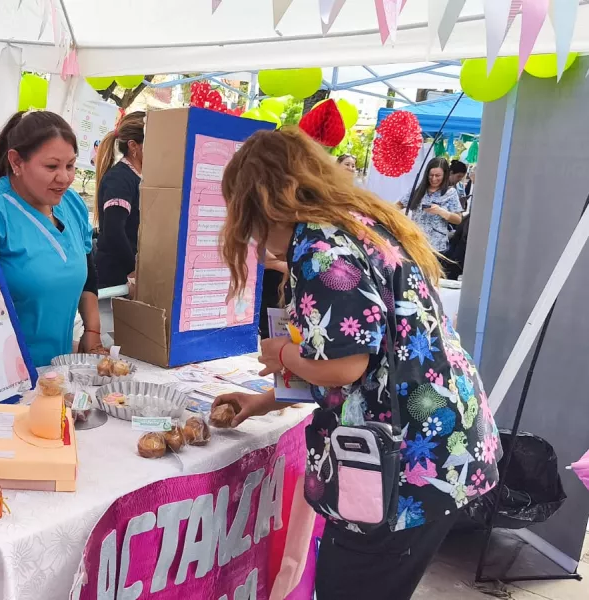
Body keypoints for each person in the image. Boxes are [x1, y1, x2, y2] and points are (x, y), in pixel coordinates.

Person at [213, 128, 500, 600]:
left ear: (260, 205)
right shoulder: (357, 224)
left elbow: (346, 367)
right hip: (443, 446)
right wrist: (264, 401)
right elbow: (368, 367)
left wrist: (281, 352)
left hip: (405, 469)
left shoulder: (321, 248)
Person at [0, 111, 103, 366]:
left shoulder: (72, 204)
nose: (64, 177)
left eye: (70, 165)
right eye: (51, 166)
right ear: (16, 161)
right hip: (2, 371)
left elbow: (87, 268)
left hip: (58, 369)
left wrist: (93, 331)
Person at [94, 111, 145, 290]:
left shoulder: (141, 177)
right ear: (133, 146)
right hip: (115, 278)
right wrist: (135, 268)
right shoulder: (119, 180)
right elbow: (114, 231)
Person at [398, 157, 463, 253]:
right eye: (431, 175)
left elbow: (458, 219)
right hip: (415, 243)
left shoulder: (450, 192)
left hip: (436, 247)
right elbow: (399, 205)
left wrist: (441, 212)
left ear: (445, 175)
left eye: (438, 175)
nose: (434, 179)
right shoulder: (418, 189)